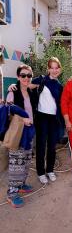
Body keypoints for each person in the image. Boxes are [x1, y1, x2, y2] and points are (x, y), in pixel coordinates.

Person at [8, 57, 64, 185]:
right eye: (52, 67)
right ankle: (40, 172)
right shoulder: (42, 80)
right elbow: (25, 85)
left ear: (60, 69)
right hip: (42, 117)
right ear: (48, 68)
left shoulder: (60, 86)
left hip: (54, 119)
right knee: (41, 146)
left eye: (57, 68)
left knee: (52, 146)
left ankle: (50, 170)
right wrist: (13, 86)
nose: (54, 70)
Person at [6, 64, 36, 207]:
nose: (26, 78)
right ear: (18, 76)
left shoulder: (30, 91)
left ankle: (21, 185)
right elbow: (8, 108)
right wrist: (22, 117)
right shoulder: (13, 90)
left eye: (29, 75)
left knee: (26, 160)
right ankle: (12, 193)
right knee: (16, 164)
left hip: (29, 132)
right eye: (23, 75)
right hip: (18, 132)